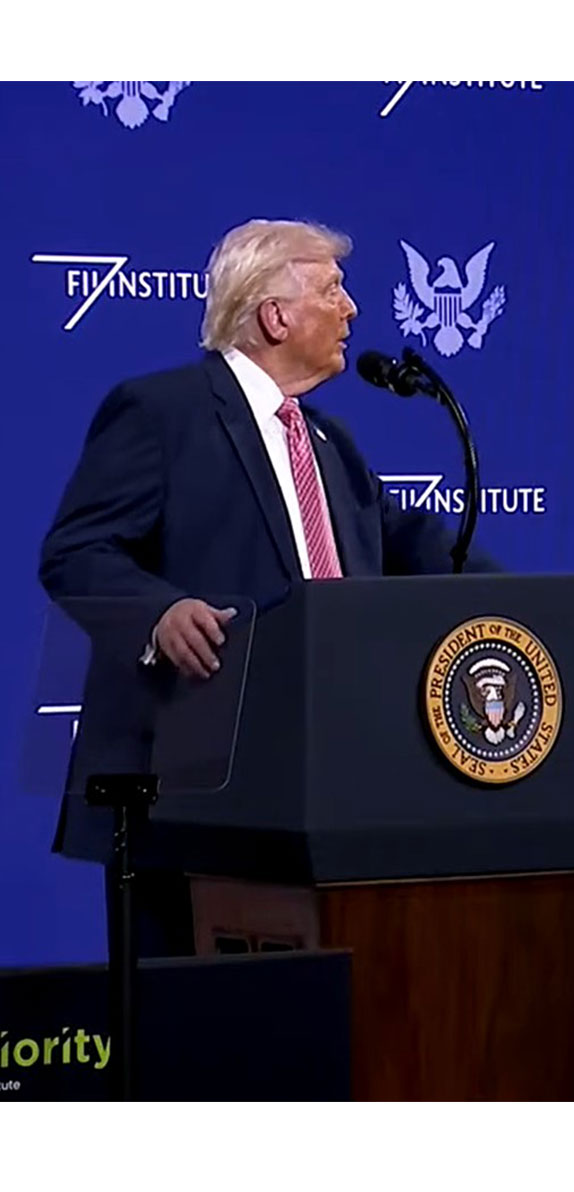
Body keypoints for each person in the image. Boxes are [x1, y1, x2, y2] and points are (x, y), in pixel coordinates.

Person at [39, 218, 496, 953]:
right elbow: (75, 551)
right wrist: (159, 614)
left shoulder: (332, 446)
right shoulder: (161, 413)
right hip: (187, 797)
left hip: (326, 792)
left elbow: (428, 550)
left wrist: (541, 613)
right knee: (187, 1043)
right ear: (275, 315)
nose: (351, 310)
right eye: (333, 290)